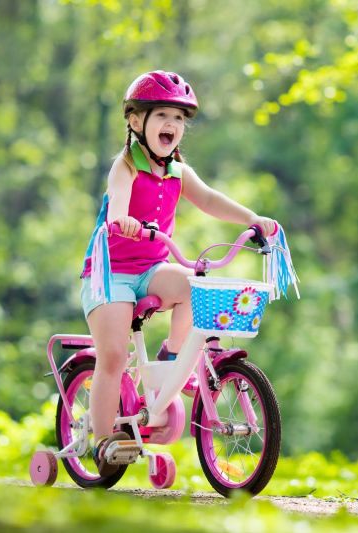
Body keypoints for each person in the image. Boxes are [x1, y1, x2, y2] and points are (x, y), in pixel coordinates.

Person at [79, 70, 276, 477]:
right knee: (114, 355)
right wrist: (123, 221)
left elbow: (209, 200)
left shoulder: (178, 172)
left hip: (150, 269)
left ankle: (173, 356)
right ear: (136, 122)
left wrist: (253, 218)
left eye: (179, 118)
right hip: (110, 272)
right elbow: (117, 200)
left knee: (192, 286)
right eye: (162, 115)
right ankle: (103, 441)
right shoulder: (125, 166)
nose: (172, 125)